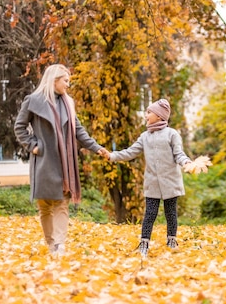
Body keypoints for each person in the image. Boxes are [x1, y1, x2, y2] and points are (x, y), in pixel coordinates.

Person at [14, 64, 108, 256]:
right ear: (54, 80)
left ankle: (59, 245)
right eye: (66, 80)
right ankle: (51, 243)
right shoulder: (33, 100)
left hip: (65, 163)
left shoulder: (68, 103)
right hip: (44, 160)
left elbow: (79, 131)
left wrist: (96, 148)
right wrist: (33, 145)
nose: (68, 85)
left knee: (62, 202)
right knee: (45, 205)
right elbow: (19, 127)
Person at [100, 99, 191, 257]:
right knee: (150, 213)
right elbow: (130, 152)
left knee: (171, 212)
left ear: (159, 116)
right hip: (152, 182)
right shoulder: (145, 136)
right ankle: (144, 243)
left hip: (170, 181)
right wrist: (112, 156)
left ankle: (171, 240)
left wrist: (186, 162)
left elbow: (179, 154)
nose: (146, 115)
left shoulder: (172, 134)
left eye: (149, 112)